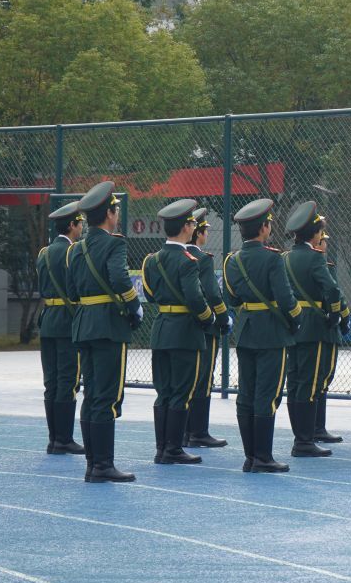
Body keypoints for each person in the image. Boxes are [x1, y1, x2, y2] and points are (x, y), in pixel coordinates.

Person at [67, 181, 142, 484]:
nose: (117, 216)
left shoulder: (76, 249)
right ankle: (103, 465)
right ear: (109, 214)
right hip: (109, 325)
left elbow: (72, 291)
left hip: (84, 324)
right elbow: (120, 278)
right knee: (107, 397)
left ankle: (92, 464)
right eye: (116, 211)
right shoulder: (115, 244)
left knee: (91, 395)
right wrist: (134, 306)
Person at [224, 198, 301, 472]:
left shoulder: (232, 261)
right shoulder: (272, 258)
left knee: (246, 393)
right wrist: (296, 319)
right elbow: (285, 298)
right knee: (267, 394)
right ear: (264, 228)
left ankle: (250, 457)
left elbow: (231, 299)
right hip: (271, 332)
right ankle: (263, 457)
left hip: (246, 330)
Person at [142, 199, 214, 466]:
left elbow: (150, 294)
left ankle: (162, 448)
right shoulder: (188, 261)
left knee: (164, 392)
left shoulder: (153, 260)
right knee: (182, 392)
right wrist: (207, 318)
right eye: (192, 223)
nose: (194, 227)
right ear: (186, 227)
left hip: (162, 328)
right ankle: (173, 449)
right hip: (185, 331)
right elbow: (195, 298)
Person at [282, 200, 350, 458]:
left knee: (295, 382)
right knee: (311, 384)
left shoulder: (285, 257)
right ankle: (304, 441)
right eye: (321, 231)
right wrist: (335, 314)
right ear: (315, 233)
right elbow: (331, 290)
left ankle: (302, 436)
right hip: (314, 326)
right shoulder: (314, 257)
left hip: (294, 325)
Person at [36, 200, 85, 455]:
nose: (82, 228)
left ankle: (54, 439)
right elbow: (76, 287)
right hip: (67, 321)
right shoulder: (72, 252)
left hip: (48, 320)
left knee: (52, 382)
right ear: (72, 225)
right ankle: (64, 439)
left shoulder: (44, 253)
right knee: (68, 381)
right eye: (80, 224)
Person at [184, 208, 230, 449]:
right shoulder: (202, 259)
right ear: (197, 232)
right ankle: (199, 432)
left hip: (181, 327)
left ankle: (183, 432)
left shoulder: (171, 255)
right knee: (203, 379)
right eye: (204, 230)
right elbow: (212, 294)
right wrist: (222, 319)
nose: (206, 235)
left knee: (184, 379)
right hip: (205, 327)